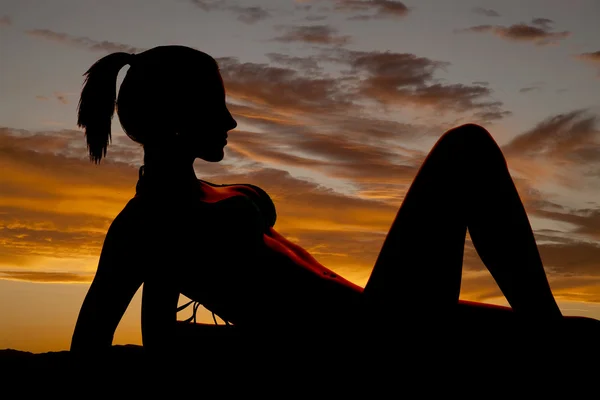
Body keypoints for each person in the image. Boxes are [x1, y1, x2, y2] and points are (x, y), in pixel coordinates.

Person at [70, 45, 589, 356]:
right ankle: (550, 340)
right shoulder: (145, 224)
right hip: (361, 343)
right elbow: (104, 339)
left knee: (584, 332)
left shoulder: (196, 199)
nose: (230, 122)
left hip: (374, 312)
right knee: (466, 149)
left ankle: (551, 335)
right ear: (177, 117)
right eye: (216, 107)